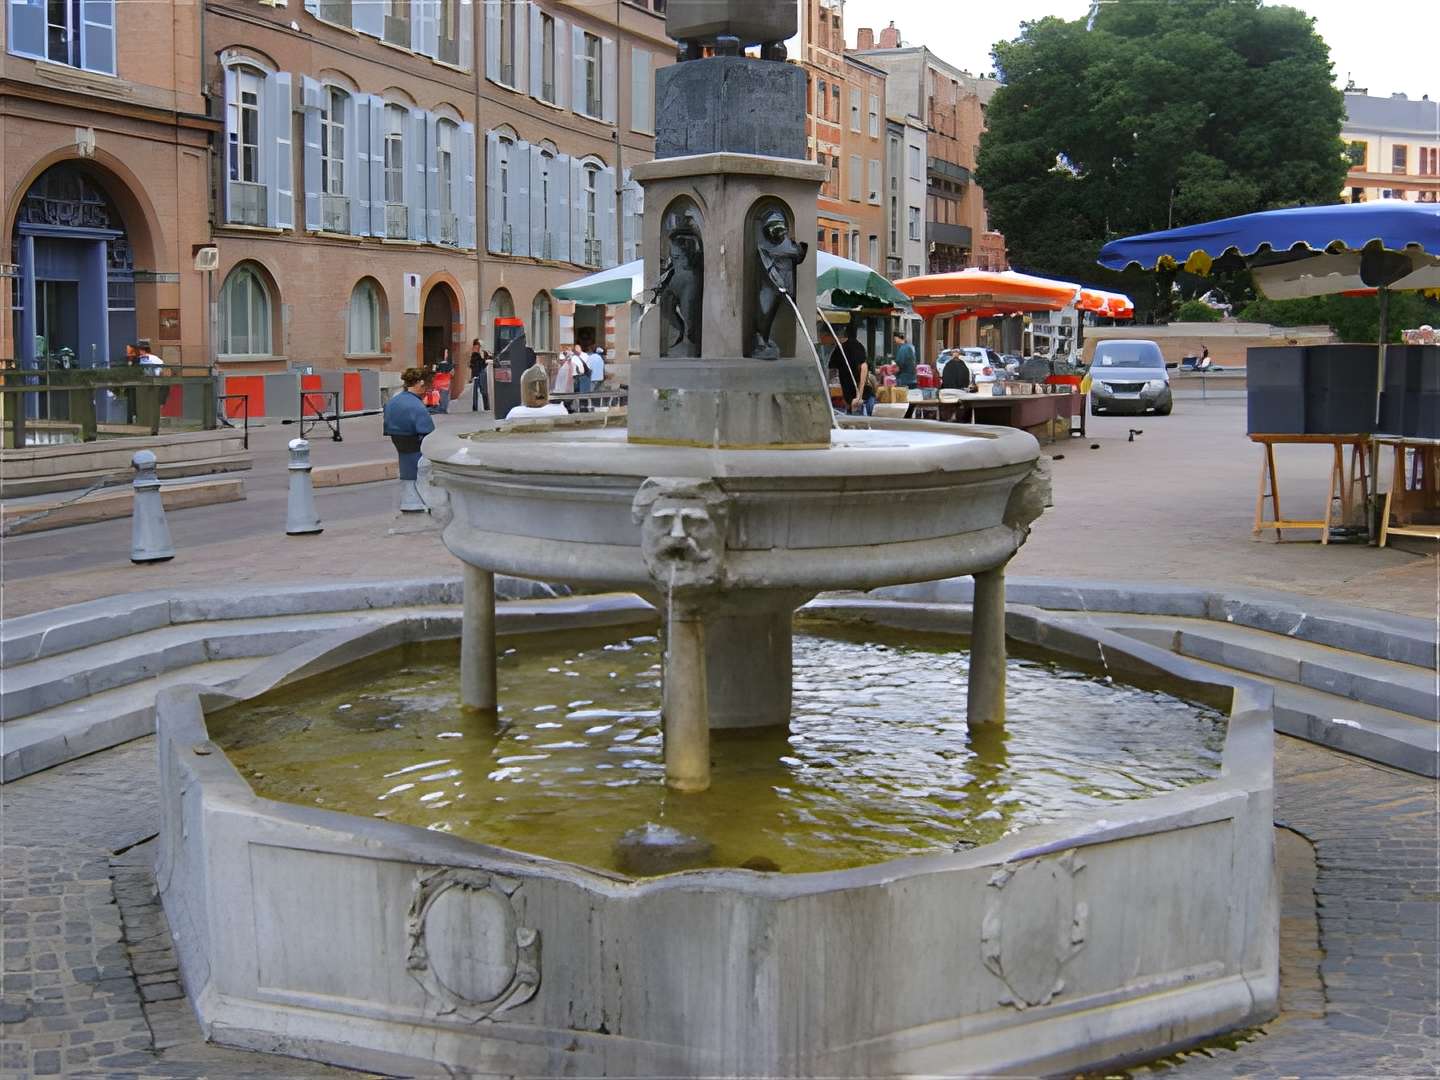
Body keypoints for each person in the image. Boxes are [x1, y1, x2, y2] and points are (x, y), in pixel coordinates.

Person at [382, 367, 436, 489]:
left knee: (408, 480)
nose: (427, 391)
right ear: (420, 383)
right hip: (418, 450)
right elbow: (429, 434)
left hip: (401, 446)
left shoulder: (392, 402)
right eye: (427, 387)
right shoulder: (417, 407)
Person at [828, 324, 873, 416]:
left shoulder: (853, 346)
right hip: (853, 398)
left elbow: (864, 367)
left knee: (857, 425)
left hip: (858, 398)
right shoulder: (839, 349)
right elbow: (832, 369)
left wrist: (858, 396)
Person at [468, 338, 491, 412]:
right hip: (478, 375)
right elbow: (480, 364)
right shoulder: (475, 355)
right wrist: (485, 359)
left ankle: (477, 407)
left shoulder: (475, 355)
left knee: (478, 392)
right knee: (482, 391)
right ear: (475, 346)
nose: (478, 348)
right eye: (478, 346)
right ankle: (485, 407)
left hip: (477, 375)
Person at [432, 348, 454, 413]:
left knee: (439, 397)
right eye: (446, 353)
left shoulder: (436, 364)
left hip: (437, 383)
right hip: (445, 383)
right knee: (444, 397)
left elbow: (433, 371)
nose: (446, 354)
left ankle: (439, 408)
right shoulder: (448, 364)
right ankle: (442, 409)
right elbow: (452, 373)